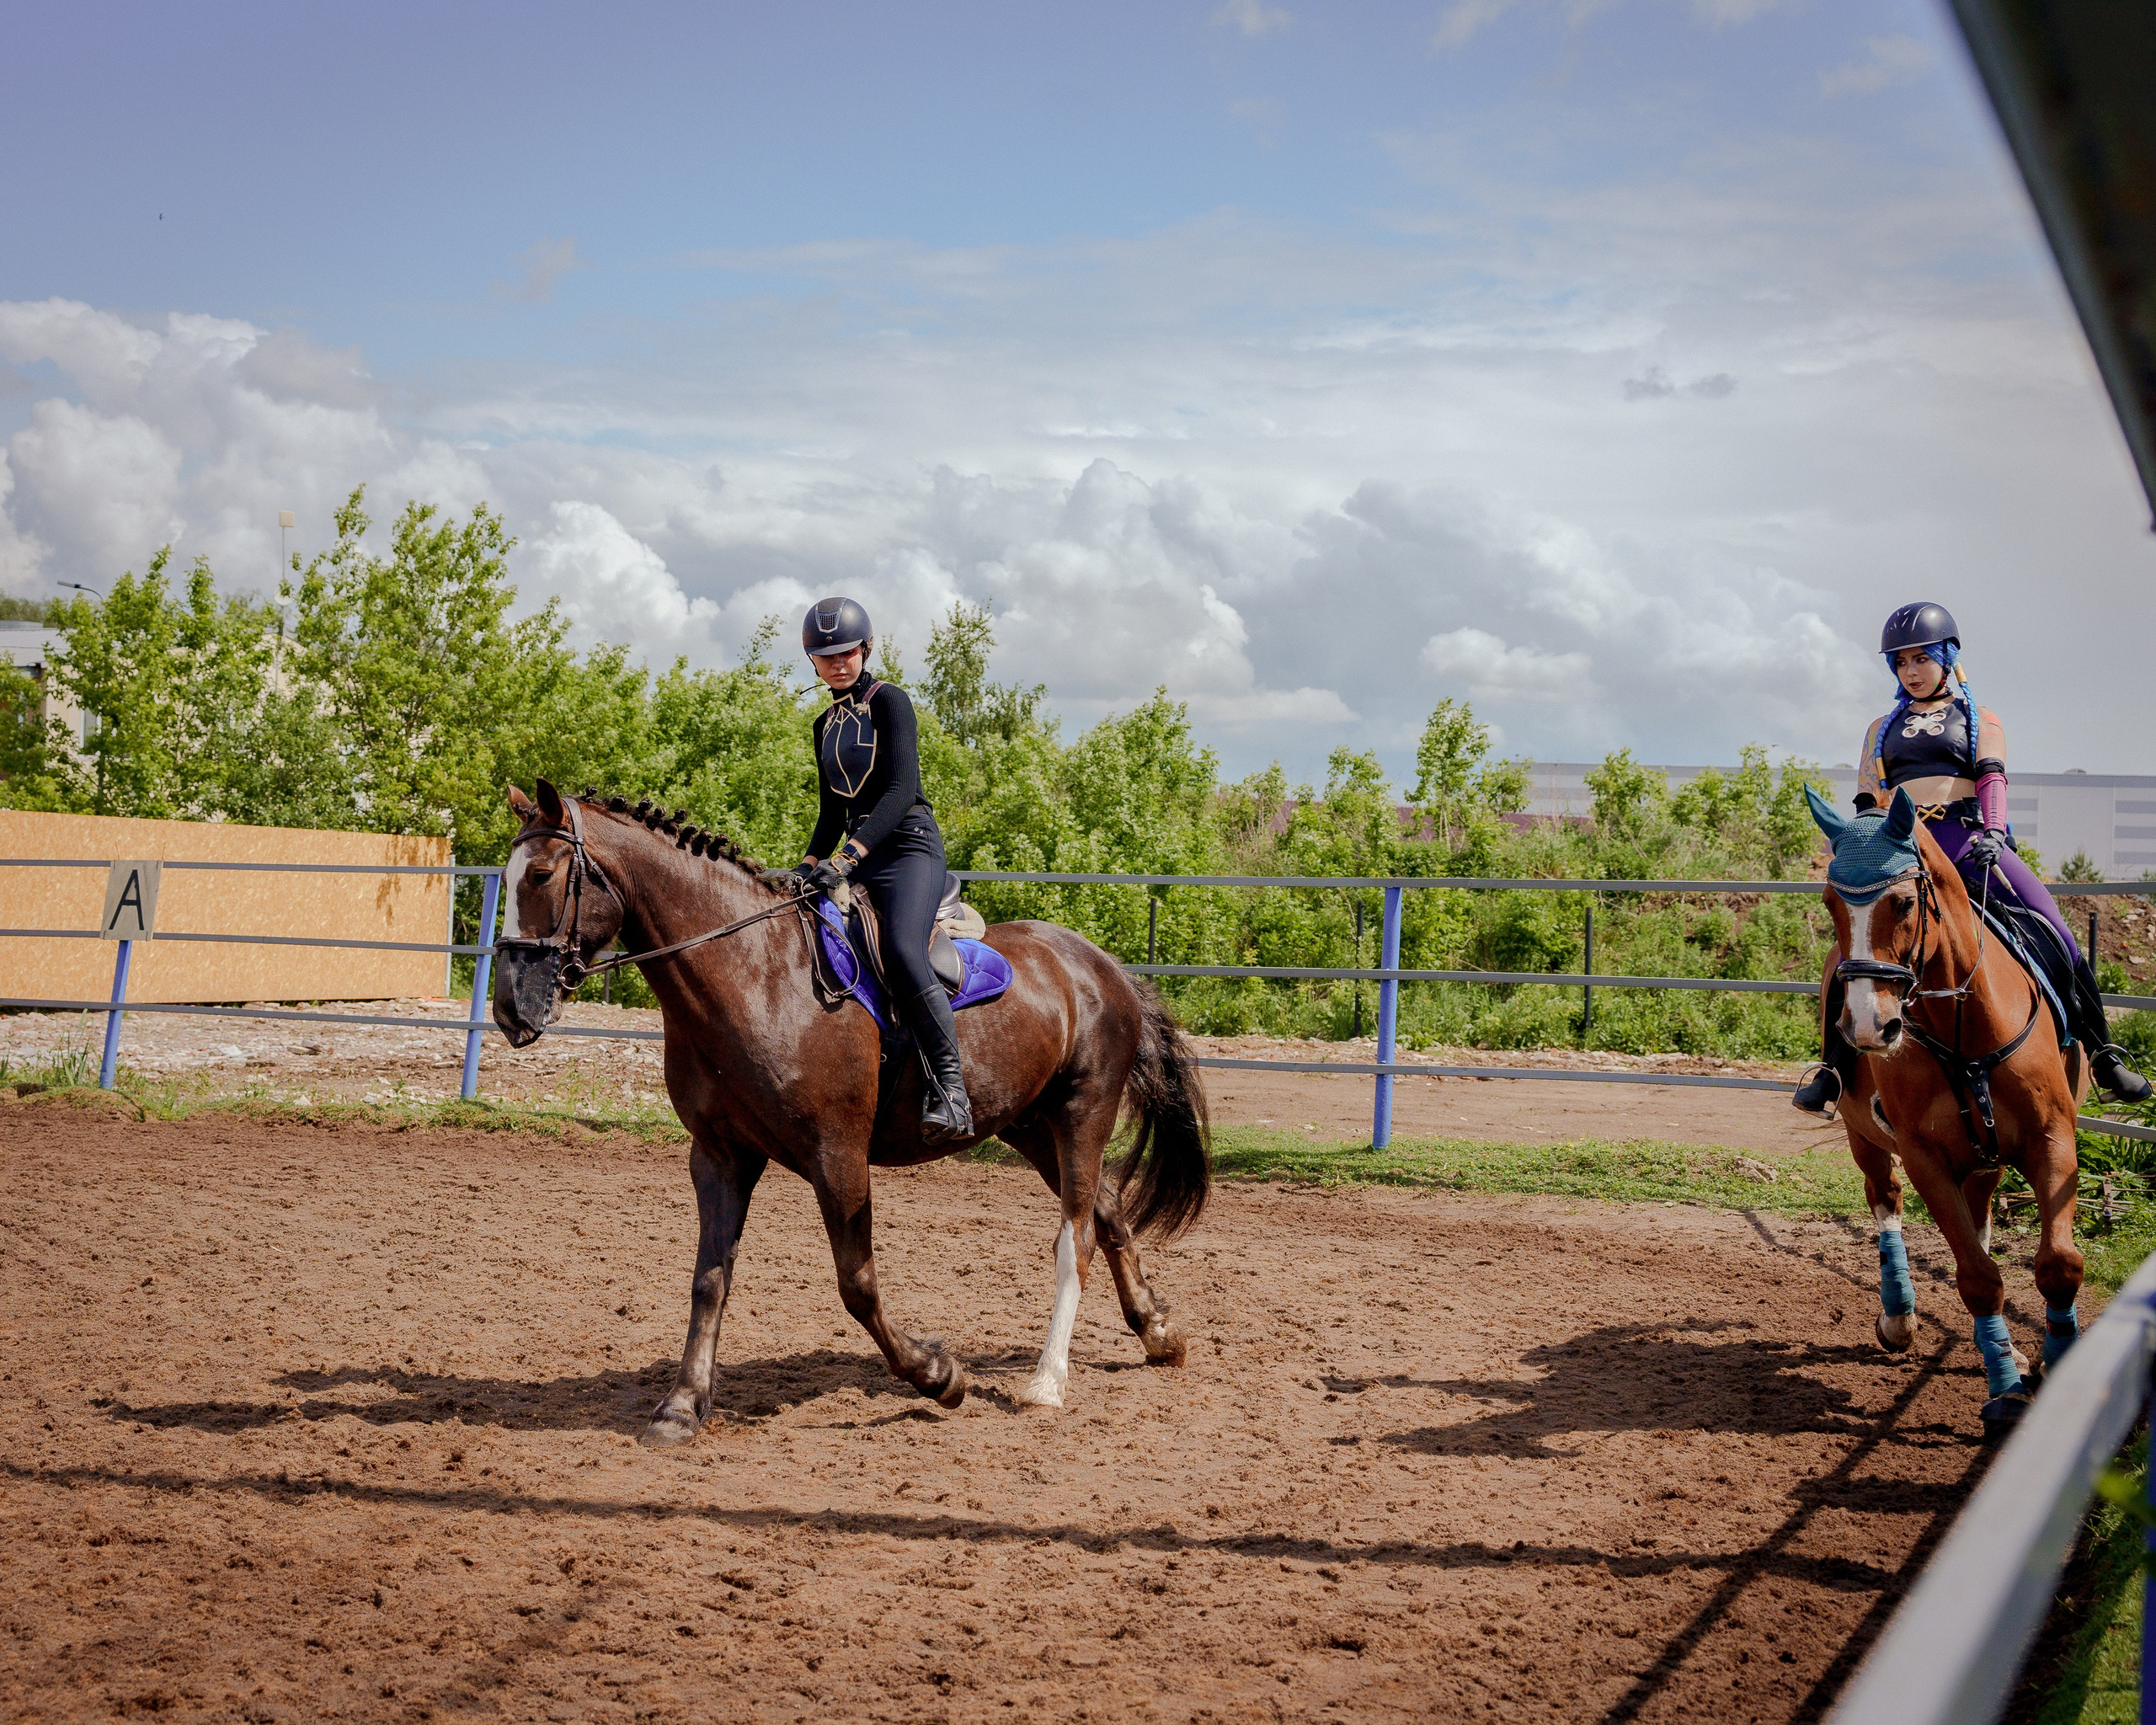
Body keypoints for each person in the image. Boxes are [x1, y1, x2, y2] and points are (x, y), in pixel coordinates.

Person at [1793, 601, 2151, 1114]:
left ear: (1945, 656)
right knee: (1848, 956)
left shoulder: (1979, 717)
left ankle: (2102, 1053)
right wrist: (1860, 841)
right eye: (1900, 663)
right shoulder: (1879, 728)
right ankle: (1833, 1067)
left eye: (1920, 659)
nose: (1910, 672)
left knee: (2057, 931)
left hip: (1968, 842)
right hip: (1903, 849)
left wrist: (1996, 831)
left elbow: (1991, 779)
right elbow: (1870, 798)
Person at [766, 596, 974, 1142]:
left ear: (866, 649)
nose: (838, 662)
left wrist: (847, 857)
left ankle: (951, 1092)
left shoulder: (892, 703)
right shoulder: (823, 725)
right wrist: (808, 865)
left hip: (908, 851)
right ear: (813, 660)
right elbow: (832, 811)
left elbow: (902, 792)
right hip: (857, 855)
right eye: (826, 654)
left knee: (904, 950)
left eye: (848, 652)